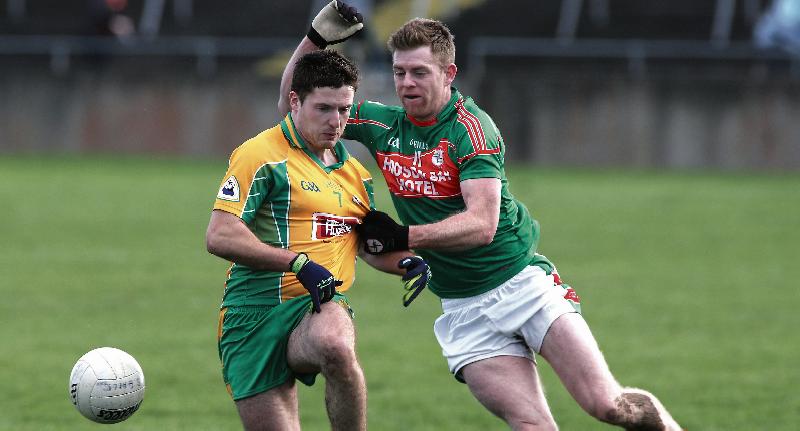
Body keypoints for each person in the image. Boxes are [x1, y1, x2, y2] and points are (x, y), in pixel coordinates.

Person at [279, 3, 683, 430]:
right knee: (533, 426)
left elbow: (481, 224)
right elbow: (299, 106)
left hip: (523, 286)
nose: (406, 83)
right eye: (399, 73)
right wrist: (315, 41)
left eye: (420, 72)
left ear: (449, 74)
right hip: (464, 310)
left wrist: (403, 235)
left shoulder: (470, 129)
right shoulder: (384, 126)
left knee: (607, 404)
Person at [206, 41, 431, 430]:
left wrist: (406, 261)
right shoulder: (260, 155)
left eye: (344, 110)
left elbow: (363, 247)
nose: (335, 121)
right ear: (295, 102)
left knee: (336, 345)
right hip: (251, 316)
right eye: (323, 108)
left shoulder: (356, 176)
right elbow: (220, 236)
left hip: (316, 305)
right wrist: (296, 263)